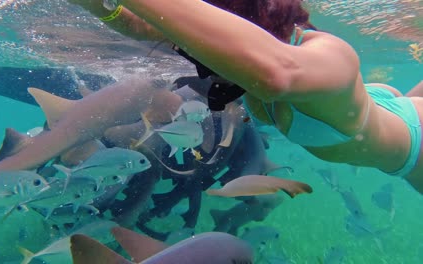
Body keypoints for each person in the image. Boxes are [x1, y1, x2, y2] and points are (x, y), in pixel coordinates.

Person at [69, 0, 423, 194]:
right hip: (387, 110)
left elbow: (275, 75)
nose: (201, 65)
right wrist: (101, 7)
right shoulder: (270, 52)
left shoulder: (331, 55)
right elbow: (142, 25)